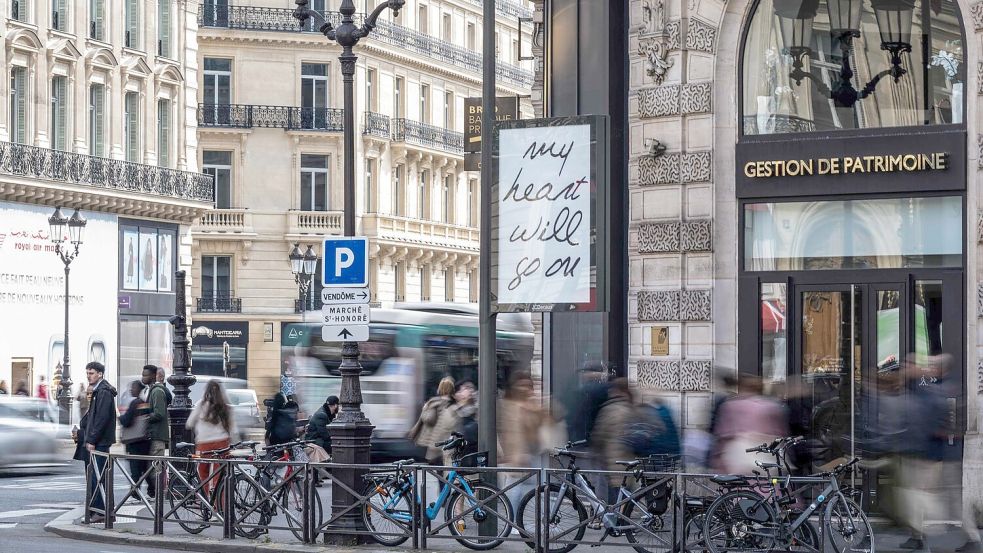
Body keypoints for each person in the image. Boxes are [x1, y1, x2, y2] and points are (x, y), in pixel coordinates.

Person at [72, 361, 117, 523]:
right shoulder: (99, 391)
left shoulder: (103, 392)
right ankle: (99, 511)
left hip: (100, 442)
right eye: (87, 373)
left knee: (98, 477)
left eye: (91, 373)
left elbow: (101, 418)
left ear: (100, 374)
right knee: (96, 476)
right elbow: (93, 417)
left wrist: (92, 439)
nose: (88, 376)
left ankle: (101, 511)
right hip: (98, 440)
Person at [186, 380, 238, 495]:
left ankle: (205, 501)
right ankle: (221, 505)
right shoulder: (226, 407)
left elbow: (189, 423)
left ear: (206, 390)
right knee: (220, 475)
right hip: (222, 443)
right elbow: (233, 429)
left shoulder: (201, 404)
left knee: (202, 472)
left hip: (204, 443)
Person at [591, 378, 637, 499]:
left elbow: (598, 436)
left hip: (614, 465)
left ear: (616, 391)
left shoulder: (610, 410)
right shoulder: (632, 408)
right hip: (630, 464)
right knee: (625, 503)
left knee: (615, 505)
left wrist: (594, 451)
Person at [119, 380, 154, 498]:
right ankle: (152, 488)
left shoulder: (135, 403)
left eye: (133, 387)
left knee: (135, 467)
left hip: (135, 441)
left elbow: (127, 421)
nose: (131, 390)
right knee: (144, 466)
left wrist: (120, 418)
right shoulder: (144, 403)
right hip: (144, 440)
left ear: (139, 389)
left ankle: (135, 490)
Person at [408, 376, 456, 463]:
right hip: (451, 440)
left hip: (435, 441)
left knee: (437, 465)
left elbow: (429, 420)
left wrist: (425, 410)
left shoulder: (434, 402)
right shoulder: (454, 403)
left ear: (440, 388)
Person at [433, 380, 478, 466]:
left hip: (466, 458)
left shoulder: (476, 412)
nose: (470, 391)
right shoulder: (452, 411)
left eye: (470, 389)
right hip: (454, 457)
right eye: (463, 389)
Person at [141, 365, 169, 457]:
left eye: (145, 375)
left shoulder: (157, 391)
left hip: (157, 436)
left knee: (156, 468)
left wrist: (145, 417)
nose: (143, 378)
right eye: (142, 375)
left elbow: (159, 413)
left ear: (153, 376)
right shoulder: (150, 390)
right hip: (153, 436)